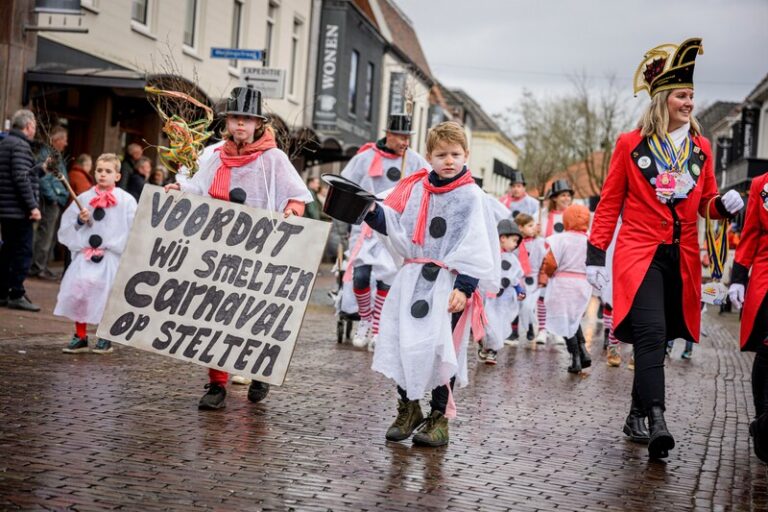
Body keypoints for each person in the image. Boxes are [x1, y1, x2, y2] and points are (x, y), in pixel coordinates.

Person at [587, 38, 743, 459]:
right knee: (651, 333)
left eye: (692, 95)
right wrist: (595, 254)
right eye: (681, 95)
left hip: (683, 256)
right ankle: (657, 418)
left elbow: (706, 202)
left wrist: (723, 205)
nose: (689, 102)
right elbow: (610, 202)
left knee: (662, 339)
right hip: (640, 254)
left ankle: (635, 413)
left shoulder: (701, 148)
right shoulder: (629, 144)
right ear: (662, 100)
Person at [165, 86, 312, 410]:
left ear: (258, 123)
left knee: (253, 313)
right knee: (215, 312)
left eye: (247, 119)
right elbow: (195, 188)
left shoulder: (273, 158)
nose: (240, 125)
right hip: (217, 245)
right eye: (235, 119)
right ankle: (217, 383)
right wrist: (179, 190)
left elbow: (297, 195)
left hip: (260, 248)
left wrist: (292, 212)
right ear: (227, 122)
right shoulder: (213, 154)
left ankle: (259, 371)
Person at [363, 121, 499, 448]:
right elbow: (396, 224)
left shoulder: (471, 197)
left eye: (455, 154)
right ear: (429, 156)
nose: (448, 160)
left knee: (441, 349)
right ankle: (408, 406)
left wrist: (465, 287)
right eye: (441, 155)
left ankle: (438, 417)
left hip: (448, 283)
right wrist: (367, 210)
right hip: (412, 279)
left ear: (466, 155)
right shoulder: (416, 188)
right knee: (403, 341)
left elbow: (475, 243)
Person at [341, 114, 428, 349]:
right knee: (360, 276)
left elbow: (429, 183)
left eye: (408, 137)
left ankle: (377, 327)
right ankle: (365, 320)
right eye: (401, 136)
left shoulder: (414, 160)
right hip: (366, 224)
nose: (405, 142)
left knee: (386, 278)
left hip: (393, 225)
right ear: (389, 134)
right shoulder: (366, 157)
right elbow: (346, 183)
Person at [56, 154, 137, 354]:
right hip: (85, 256)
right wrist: (80, 221)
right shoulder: (84, 198)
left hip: (110, 257)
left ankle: (104, 337)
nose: (103, 174)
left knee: (106, 296)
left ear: (117, 176)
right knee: (80, 292)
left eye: (108, 171)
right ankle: (81, 335)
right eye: (99, 170)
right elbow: (68, 226)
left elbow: (134, 228)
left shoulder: (126, 201)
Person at [728, 171, 768, 464]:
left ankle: (764, 426)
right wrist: (739, 276)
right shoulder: (761, 185)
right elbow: (751, 232)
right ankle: (762, 418)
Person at [540, 204, 593, 373]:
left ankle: (576, 357)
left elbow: (550, 262)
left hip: (562, 283)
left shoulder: (560, 239)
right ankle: (583, 350)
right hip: (583, 283)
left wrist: (548, 275)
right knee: (574, 318)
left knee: (565, 320)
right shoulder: (590, 239)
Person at [0, 109, 42, 311]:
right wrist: (33, 206)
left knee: (7, 250)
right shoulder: (20, 146)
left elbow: (20, 173)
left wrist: (40, 169)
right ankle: (16, 292)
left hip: (7, 208)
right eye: (34, 126)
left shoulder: (6, 143)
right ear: (28, 127)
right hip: (18, 210)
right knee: (23, 251)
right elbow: (21, 178)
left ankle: (2, 292)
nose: (35, 130)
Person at [534, 178, 574, 345]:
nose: (566, 199)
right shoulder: (542, 215)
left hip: (564, 262)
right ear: (555, 198)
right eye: (563, 195)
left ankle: (556, 329)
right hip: (545, 261)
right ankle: (542, 329)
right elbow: (536, 235)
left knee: (558, 297)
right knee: (543, 295)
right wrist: (535, 231)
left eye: (568, 195)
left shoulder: (572, 215)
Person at [480, 219, 525, 364]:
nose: (516, 245)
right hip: (489, 296)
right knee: (487, 323)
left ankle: (492, 351)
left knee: (498, 323)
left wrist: (519, 289)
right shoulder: (488, 254)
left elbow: (515, 276)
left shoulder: (512, 258)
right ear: (503, 238)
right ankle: (485, 346)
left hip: (504, 299)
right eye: (514, 240)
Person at [30, 125, 69, 280]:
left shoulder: (54, 154)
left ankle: (42, 266)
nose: (66, 143)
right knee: (45, 234)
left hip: (56, 200)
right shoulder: (48, 155)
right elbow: (44, 179)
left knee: (50, 235)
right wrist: (53, 197)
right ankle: (38, 267)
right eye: (64, 139)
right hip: (50, 202)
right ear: (57, 140)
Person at [513, 213, 546, 346]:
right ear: (520, 228)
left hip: (533, 278)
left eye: (534, 225)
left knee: (530, 305)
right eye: (530, 225)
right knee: (516, 304)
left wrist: (543, 277)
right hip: (519, 278)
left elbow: (544, 260)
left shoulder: (539, 242)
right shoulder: (515, 243)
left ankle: (531, 327)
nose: (534, 228)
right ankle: (513, 331)